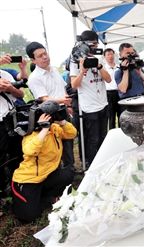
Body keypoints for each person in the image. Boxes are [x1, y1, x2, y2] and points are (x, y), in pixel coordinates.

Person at [11, 101, 77, 222]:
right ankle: (31, 200)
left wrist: (62, 121)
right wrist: (44, 129)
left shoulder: (55, 128)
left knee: (68, 173)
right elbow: (29, 150)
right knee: (28, 217)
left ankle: (47, 197)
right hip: (28, 180)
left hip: (47, 175)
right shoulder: (31, 134)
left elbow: (72, 134)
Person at [26, 41, 75, 177]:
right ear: (33, 60)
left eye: (45, 53)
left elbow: (62, 89)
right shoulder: (34, 78)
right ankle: (58, 176)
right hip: (50, 116)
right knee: (54, 147)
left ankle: (70, 171)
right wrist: (62, 101)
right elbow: (43, 99)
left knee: (68, 141)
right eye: (40, 56)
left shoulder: (53, 69)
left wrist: (67, 104)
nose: (45, 57)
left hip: (63, 110)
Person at [70, 30, 111, 168]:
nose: (95, 46)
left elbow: (108, 79)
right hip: (89, 107)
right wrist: (82, 71)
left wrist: (99, 66)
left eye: (96, 43)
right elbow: (74, 85)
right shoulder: (75, 61)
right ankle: (92, 164)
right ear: (84, 44)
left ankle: (103, 161)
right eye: (93, 44)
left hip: (103, 104)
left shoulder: (98, 59)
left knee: (103, 136)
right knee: (92, 139)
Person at [0, 70, 24, 206]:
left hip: (11, 119)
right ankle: (3, 192)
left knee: (17, 154)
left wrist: (10, 88)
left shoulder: (5, 74)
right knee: (1, 159)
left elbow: (20, 95)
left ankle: (18, 185)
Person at [102, 48, 120, 129]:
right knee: (111, 117)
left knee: (121, 115)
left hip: (119, 93)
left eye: (111, 54)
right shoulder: (103, 69)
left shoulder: (119, 67)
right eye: (108, 55)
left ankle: (122, 134)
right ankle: (112, 134)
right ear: (104, 57)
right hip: (108, 94)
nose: (110, 56)